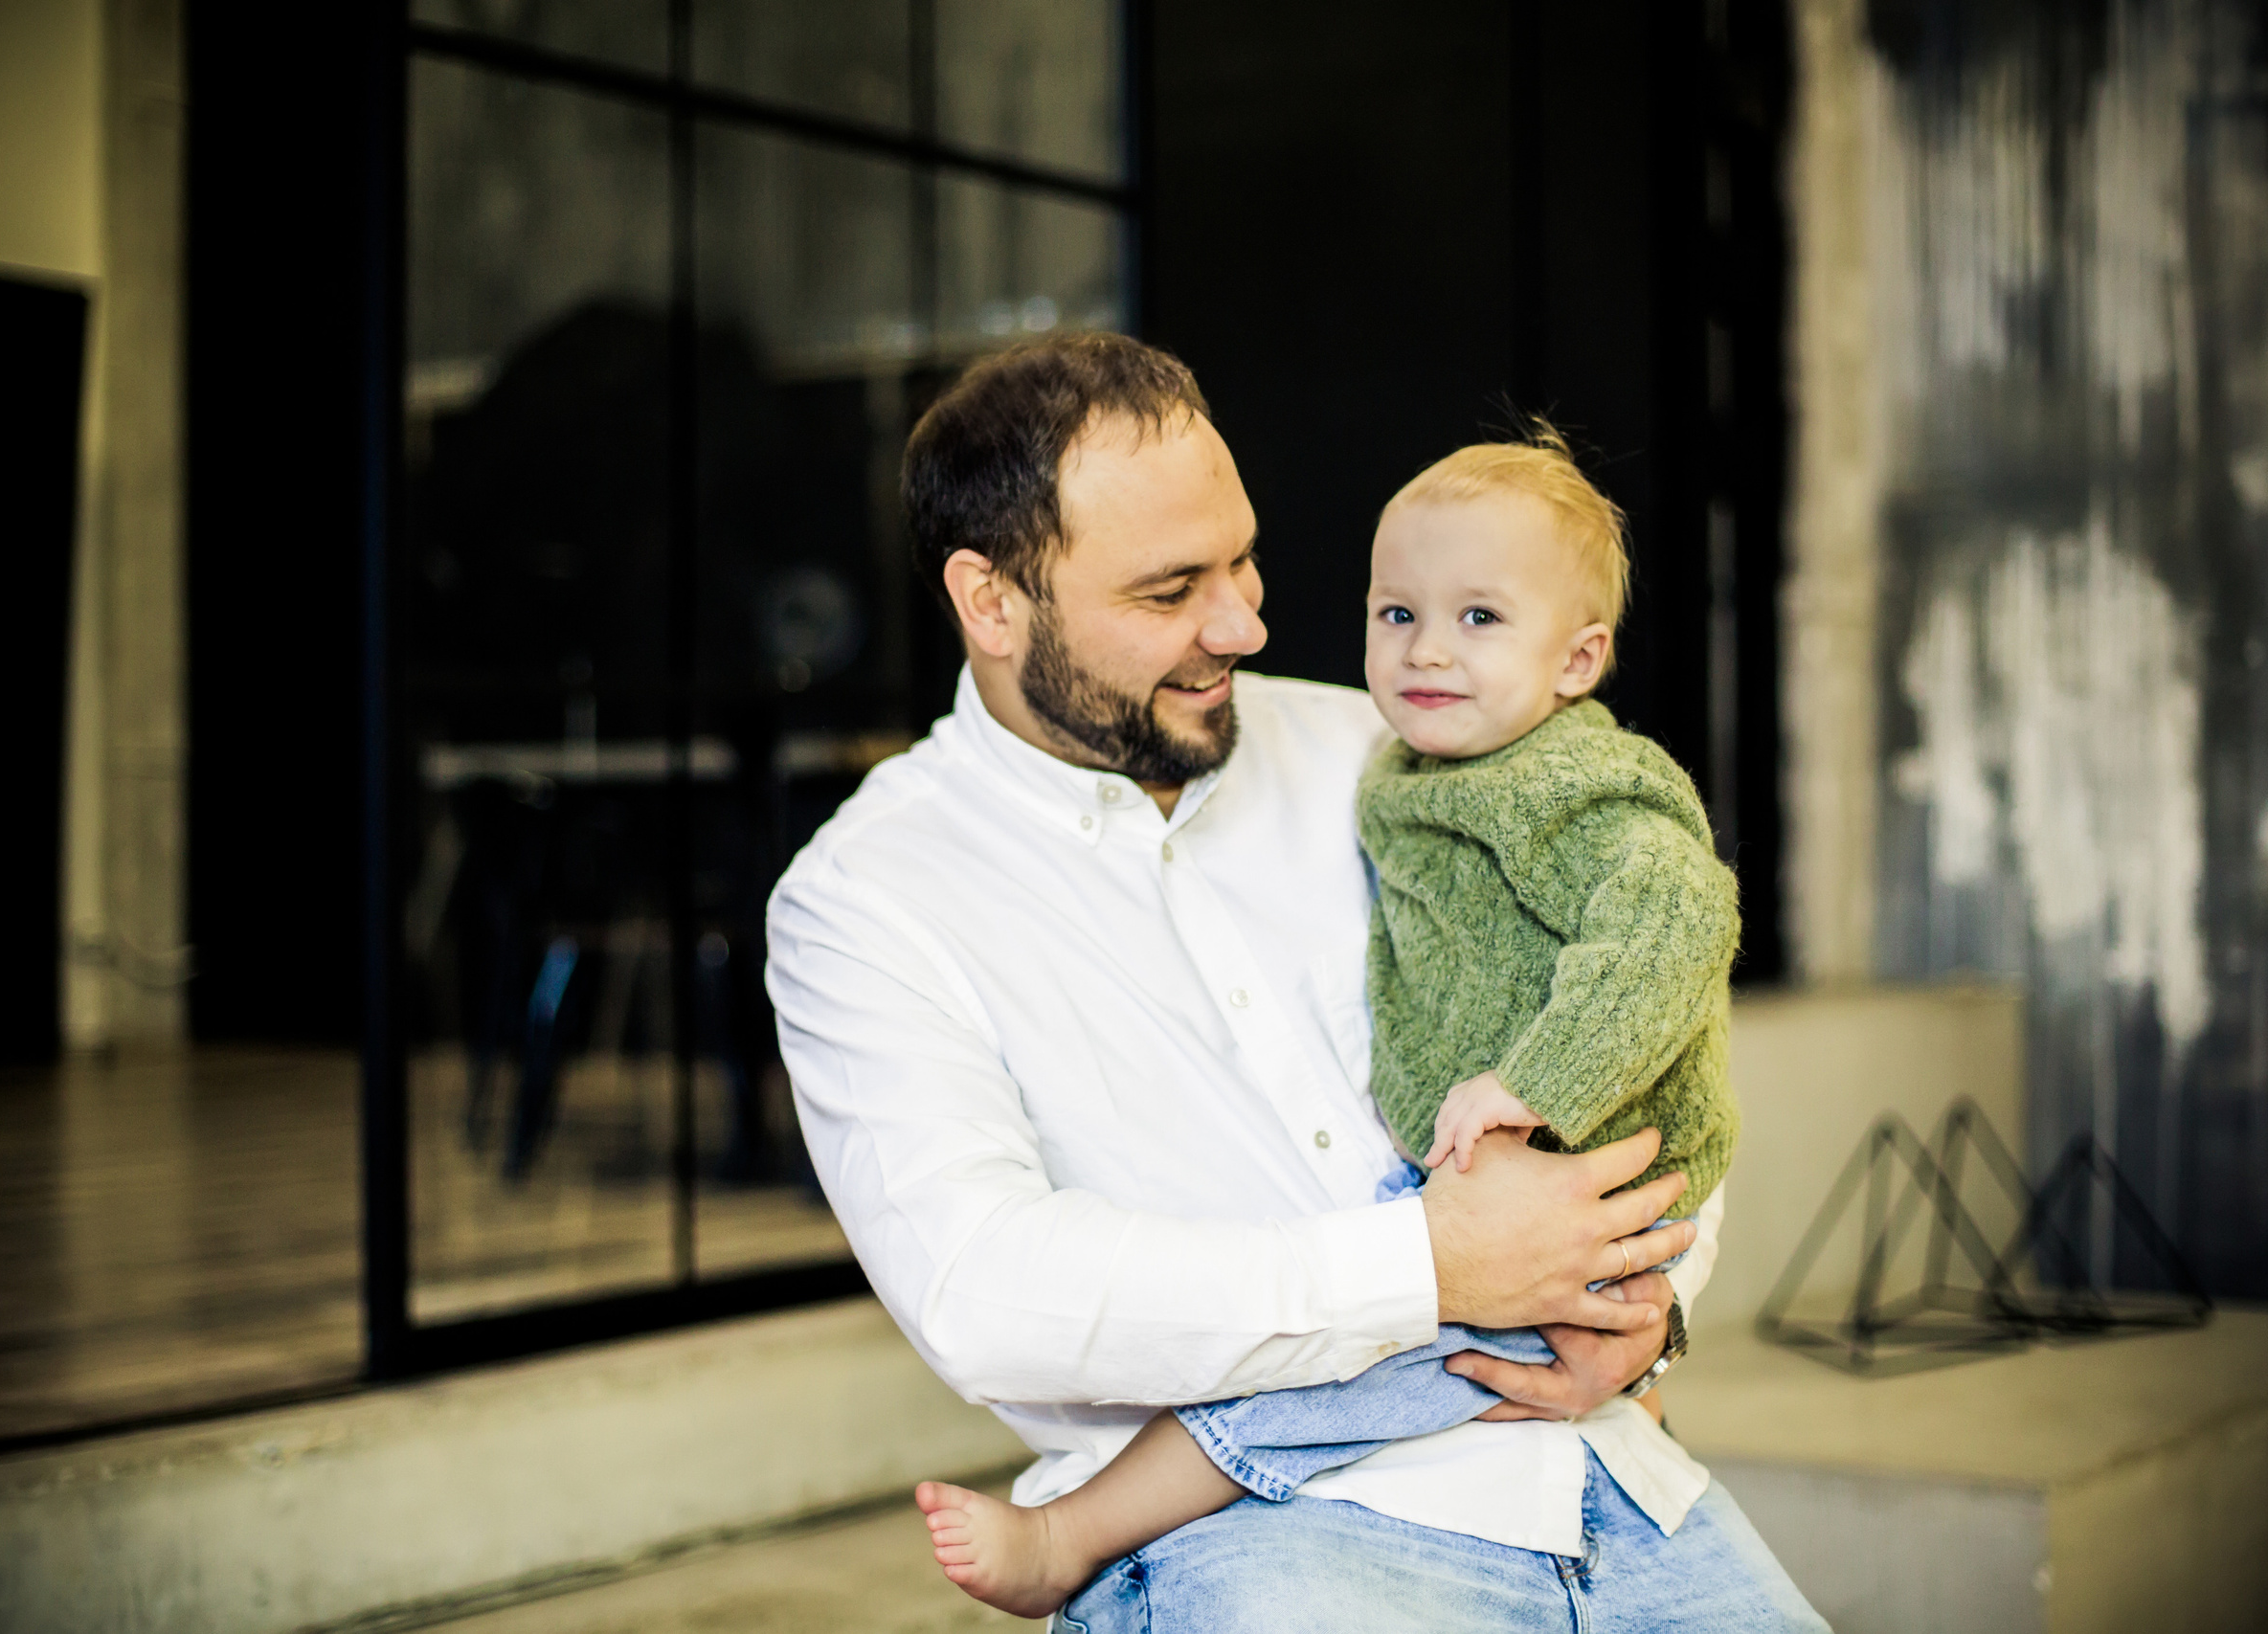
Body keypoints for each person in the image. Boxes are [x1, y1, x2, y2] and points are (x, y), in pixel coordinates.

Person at [766, 333, 1825, 1632]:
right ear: (991, 602)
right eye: (1169, 593)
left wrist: (1652, 1300)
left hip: (1607, 1478)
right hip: (1254, 1544)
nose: (1245, 623)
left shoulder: (1400, 750)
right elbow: (985, 1288)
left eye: (1241, 560)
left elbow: (1648, 1011)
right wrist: (1425, 1267)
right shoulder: (869, 901)